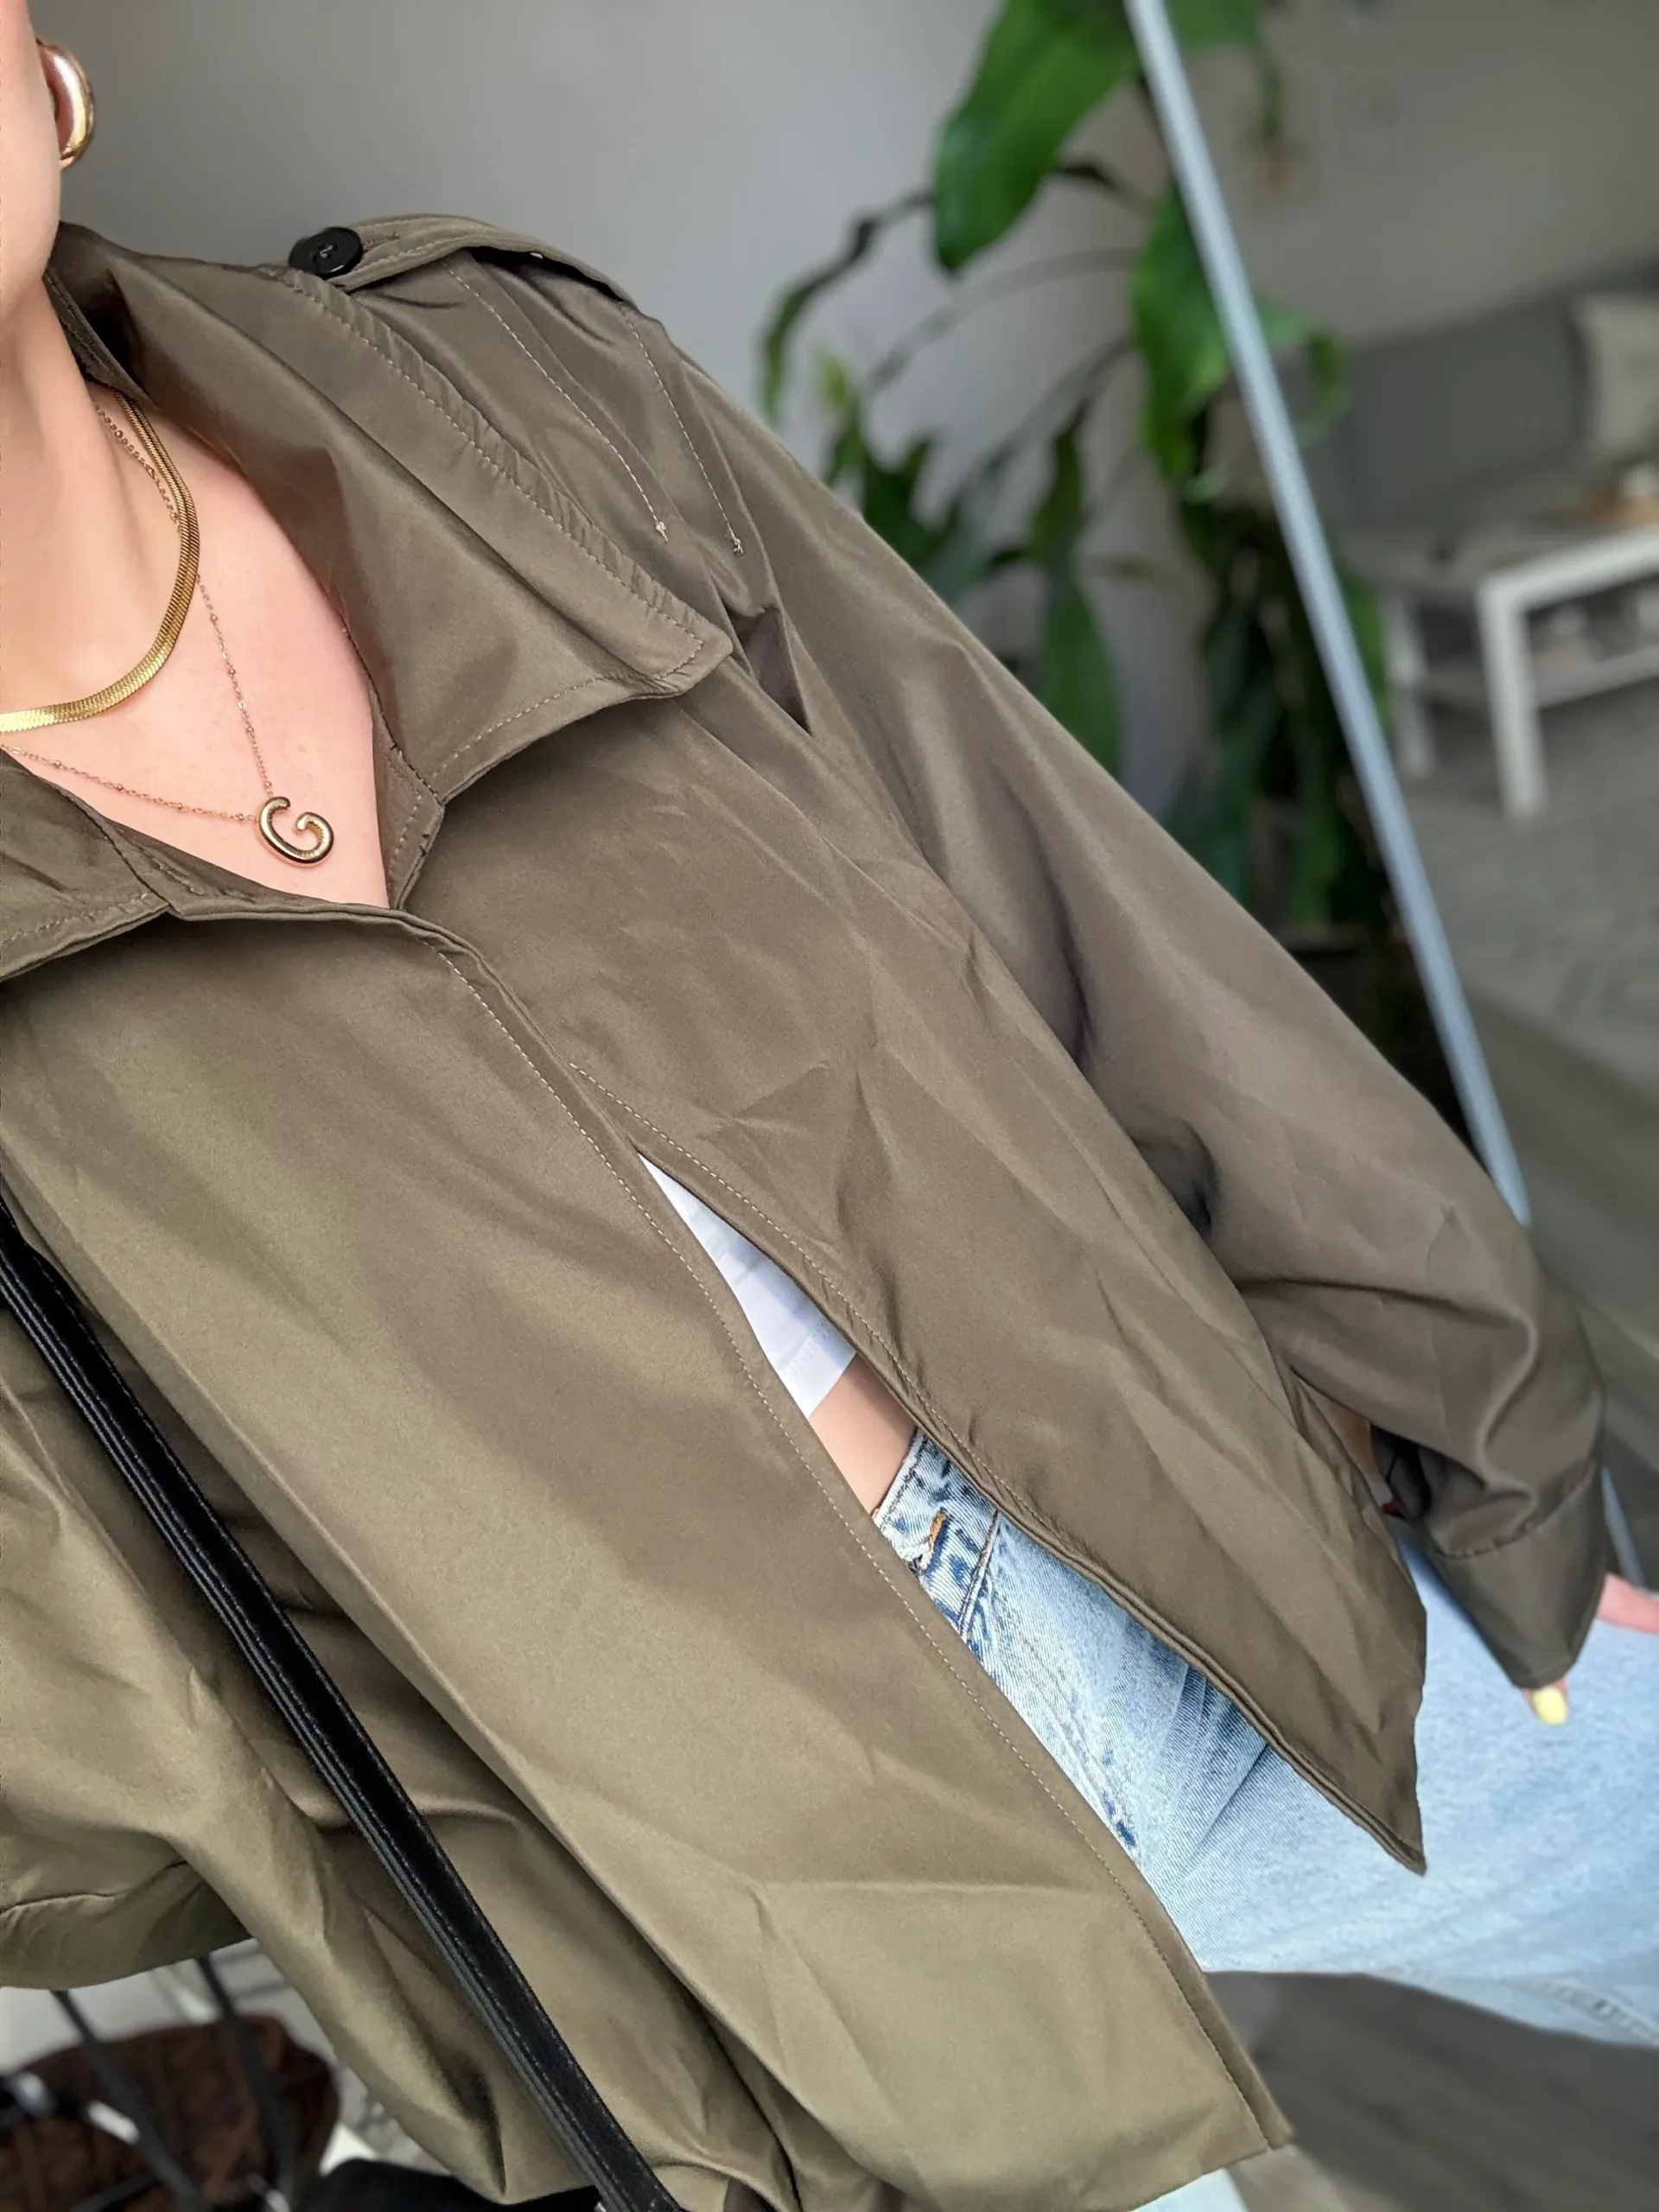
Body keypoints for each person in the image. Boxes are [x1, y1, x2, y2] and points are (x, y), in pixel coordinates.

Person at [1, 13, 1655, 2210]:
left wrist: (1489, 1453)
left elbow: (1086, 928)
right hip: (775, 1963)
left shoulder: (500, 390)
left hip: (1207, 1527)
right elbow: (100, 1784)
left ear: (44, 60)